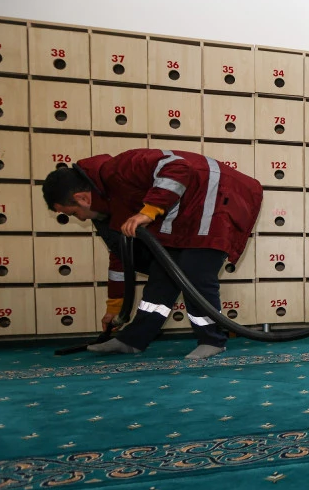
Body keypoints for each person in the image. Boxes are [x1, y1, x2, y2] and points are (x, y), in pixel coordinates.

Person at [42, 148, 262, 359]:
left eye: (74, 213)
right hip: (184, 212)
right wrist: (115, 307)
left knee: (195, 271)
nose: (80, 219)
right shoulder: (106, 209)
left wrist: (148, 211)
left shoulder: (119, 168)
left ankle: (212, 340)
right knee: (162, 274)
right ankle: (133, 340)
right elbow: (121, 256)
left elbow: (177, 167)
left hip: (218, 194)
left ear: (82, 198)